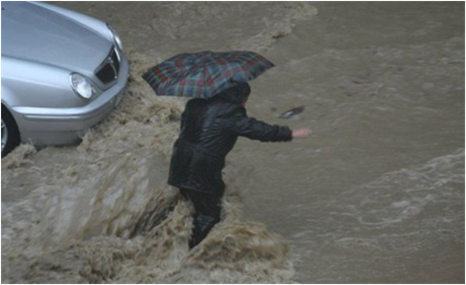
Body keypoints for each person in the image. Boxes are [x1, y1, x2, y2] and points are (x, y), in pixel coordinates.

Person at [167, 82, 311, 249]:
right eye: (245, 99)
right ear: (239, 98)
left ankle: (167, 238)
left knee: (189, 202)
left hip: (179, 160)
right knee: (209, 215)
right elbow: (257, 130)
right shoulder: (231, 114)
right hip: (202, 167)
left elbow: (191, 130)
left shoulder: (195, 104)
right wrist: (290, 133)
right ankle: (188, 253)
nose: (245, 103)